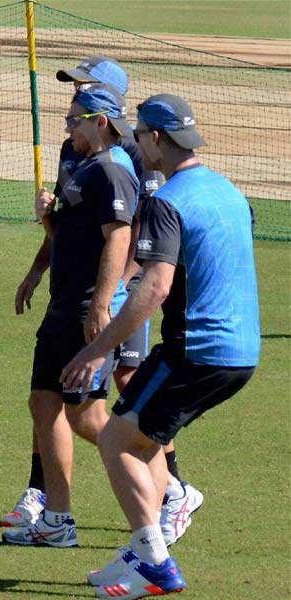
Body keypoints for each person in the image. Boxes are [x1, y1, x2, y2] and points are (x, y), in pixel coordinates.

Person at [62, 93, 259, 599]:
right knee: (141, 437)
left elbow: (154, 287)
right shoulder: (227, 190)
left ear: (155, 139)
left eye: (140, 134)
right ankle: (142, 550)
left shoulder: (169, 200)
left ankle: (154, 561)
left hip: (196, 349)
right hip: (241, 351)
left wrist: (95, 349)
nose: (135, 141)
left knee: (114, 440)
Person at [4, 57, 203, 548]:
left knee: (107, 401)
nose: (68, 111)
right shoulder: (77, 155)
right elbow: (73, 227)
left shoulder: (129, 159)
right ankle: (50, 508)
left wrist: (109, 301)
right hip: (69, 298)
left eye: (78, 99)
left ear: (104, 108)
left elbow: (131, 235)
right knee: (46, 401)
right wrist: (39, 263)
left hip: (108, 298)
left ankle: (170, 486)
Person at [1, 83, 136, 548]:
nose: (67, 126)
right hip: (62, 305)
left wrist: (100, 306)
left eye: (74, 118)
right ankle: (58, 521)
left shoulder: (114, 172)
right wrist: (44, 231)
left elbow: (119, 240)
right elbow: (68, 235)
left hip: (84, 309)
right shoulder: (82, 165)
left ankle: (161, 481)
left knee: (86, 417)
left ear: (101, 123)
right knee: (44, 404)